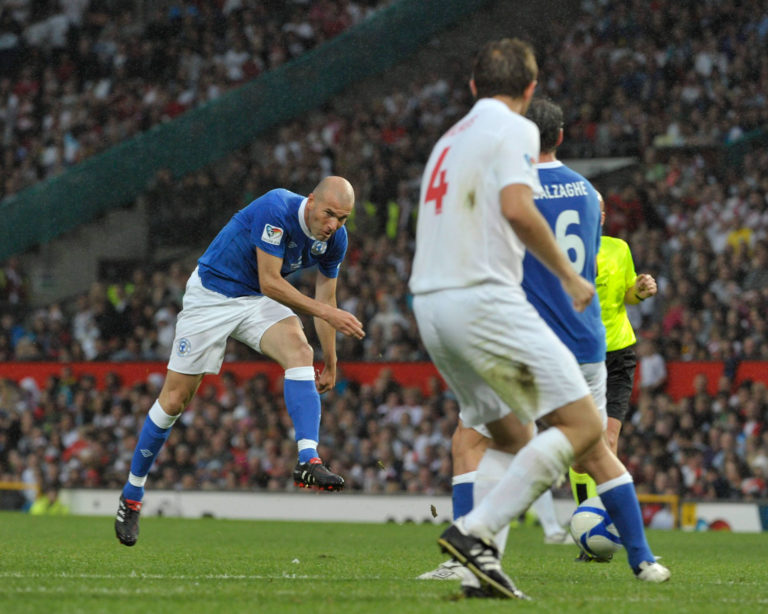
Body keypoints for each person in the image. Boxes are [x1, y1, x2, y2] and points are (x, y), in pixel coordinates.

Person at [409, 39, 669, 599]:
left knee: (505, 437)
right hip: (485, 303)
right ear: (527, 92)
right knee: (583, 430)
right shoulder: (518, 132)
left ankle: (483, 567)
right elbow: (517, 209)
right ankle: (473, 531)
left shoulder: (448, 141)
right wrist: (570, 275)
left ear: (474, 86)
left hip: (429, 304)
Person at [115, 176, 365, 547]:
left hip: (256, 302)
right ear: (311, 201)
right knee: (173, 402)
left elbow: (326, 301)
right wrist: (329, 315)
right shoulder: (276, 207)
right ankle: (132, 496)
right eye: (329, 214)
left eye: (342, 219)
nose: (333, 225)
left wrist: (331, 362)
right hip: (214, 293)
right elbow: (271, 281)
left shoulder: (335, 241)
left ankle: (308, 461)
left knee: (300, 352)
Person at [418, 97, 606, 582]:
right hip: (585, 336)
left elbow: (511, 221)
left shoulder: (503, 177)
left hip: (510, 325)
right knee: (588, 445)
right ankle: (640, 554)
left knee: (479, 440)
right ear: (561, 136)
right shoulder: (588, 192)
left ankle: (471, 538)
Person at [569, 229, 658, 506]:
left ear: (602, 217)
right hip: (578, 355)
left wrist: (639, 292)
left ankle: (601, 522)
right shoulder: (562, 248)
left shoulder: (619, 248)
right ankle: (585, 518)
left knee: (608, 440)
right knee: (582, 448)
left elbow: (626, 294)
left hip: (617, 353)